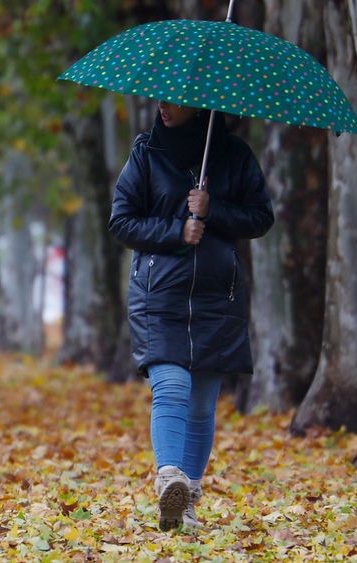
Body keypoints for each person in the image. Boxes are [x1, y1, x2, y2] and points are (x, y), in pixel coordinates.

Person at [108, 100, 274, 531]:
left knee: (202, 403)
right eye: (160, 97)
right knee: (172, 383)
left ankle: (186, 501)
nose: (163, 105)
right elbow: (122, 221)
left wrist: (213, 207)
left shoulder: (234, 156)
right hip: (158, 294)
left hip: (217, 297)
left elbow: (260, 217)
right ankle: (168, 479)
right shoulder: (145, 153)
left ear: (199, 105)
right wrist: (176, 230)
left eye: (174, 100)